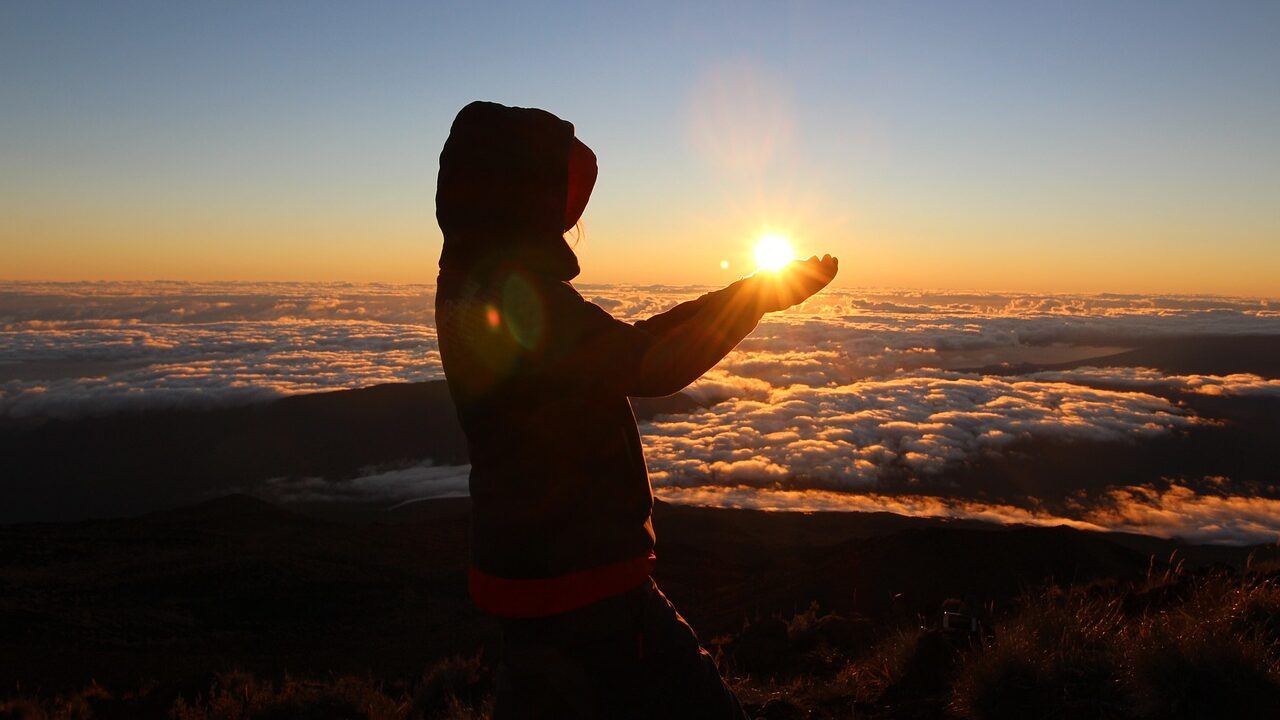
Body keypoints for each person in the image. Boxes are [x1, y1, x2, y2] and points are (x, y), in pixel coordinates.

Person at [434, 100, 838, 719]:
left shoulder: (475, 282)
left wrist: (750, 291)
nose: (569, 216)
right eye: (555, 193)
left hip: (529, 579)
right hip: (584, 584)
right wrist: (758, 298)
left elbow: (629, 346)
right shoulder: (514, 300)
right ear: (519, 195)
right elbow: (653, 366)